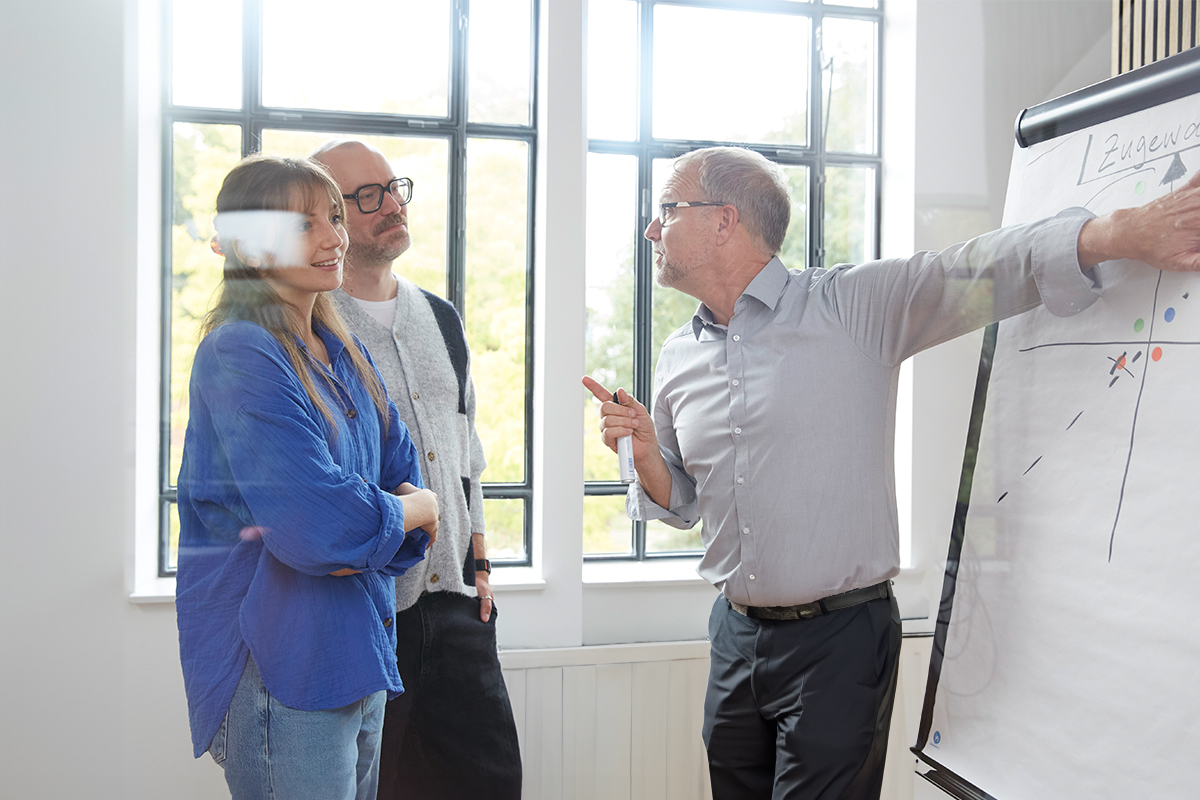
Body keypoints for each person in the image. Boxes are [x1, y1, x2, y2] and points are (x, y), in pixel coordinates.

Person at [582, 145, 1200, 799]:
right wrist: (646, 456)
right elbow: (683, 502)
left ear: (724, 220)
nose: (652, 228)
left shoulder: (851, 305)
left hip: (838, 640)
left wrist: (1121, 232)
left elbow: (980, 267)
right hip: (734, 636)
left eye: (668, 209)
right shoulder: (678, 355)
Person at [175, 154, 440, 800]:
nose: (334, 238)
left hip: (361, 651)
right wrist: (407, 512)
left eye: (334, 217)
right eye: (303, 225)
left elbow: (399, 471)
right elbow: (318, 525)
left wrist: (369, 533)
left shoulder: (343, 349)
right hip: (283, 664)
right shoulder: (240, 351)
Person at [312, 139, 522, 799]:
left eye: (394, 187)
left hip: (459, 605)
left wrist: (480, 562)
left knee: (491, 783)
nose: (392, 205)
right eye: (367, 196)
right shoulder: (312, 328)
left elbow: (467, 451)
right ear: (330, 218)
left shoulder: (441, 318)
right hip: (369, 610)